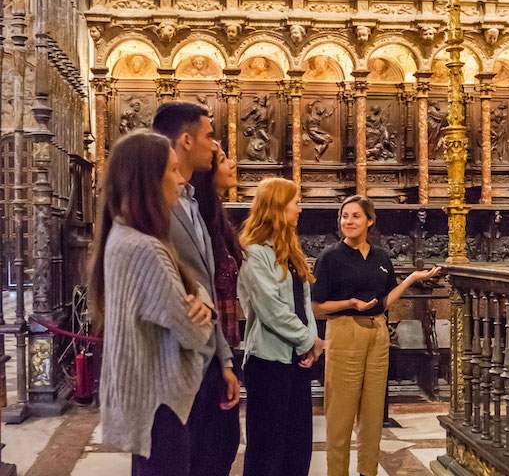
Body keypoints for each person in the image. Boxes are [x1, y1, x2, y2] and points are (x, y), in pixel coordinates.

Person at [89, 130, 214, 476]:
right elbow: (193, 332)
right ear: (149, 178)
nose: (179, 179)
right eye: (173, 170)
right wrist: (205, 305)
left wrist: (199, 300)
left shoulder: (122, 234)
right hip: (160, 404)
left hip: (146, 401)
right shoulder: (145, 249)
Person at [312, 195, 441, 476]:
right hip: (345, 332)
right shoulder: (330, 257)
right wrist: (350, 304)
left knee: (372, 416)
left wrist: (410, 280)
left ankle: (367, 471)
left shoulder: (381, 256)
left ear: (370, 221)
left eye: (356, 216)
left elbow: (384, 300)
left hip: (377, 332)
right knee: (341, 415)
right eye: (345, 216)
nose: (348, 221)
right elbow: (317, 305)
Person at [152, 102, 240, 476]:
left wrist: (223, 360)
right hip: (169, 365)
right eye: (209, 135)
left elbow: (207, 290)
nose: (215, 144)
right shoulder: (154, 207)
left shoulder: (193, 204)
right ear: (186, 140)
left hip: (204, 358)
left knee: (210, 457)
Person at [238, 178, 325, 476]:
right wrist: (308, 341)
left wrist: (311, 341)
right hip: (268, 361)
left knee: (297, 446)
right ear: (277, 205)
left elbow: (304, 299)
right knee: (267, 448)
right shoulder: (254, 252)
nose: (299, 208)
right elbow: (271, 309)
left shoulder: (290, 249)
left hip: (296, 361)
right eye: (295, 202)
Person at [190, 146, 243, 351]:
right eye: (223, 160)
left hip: (223, 344)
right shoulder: (197, 217)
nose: (232, 163)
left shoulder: (218, 217)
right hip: (206, 346)